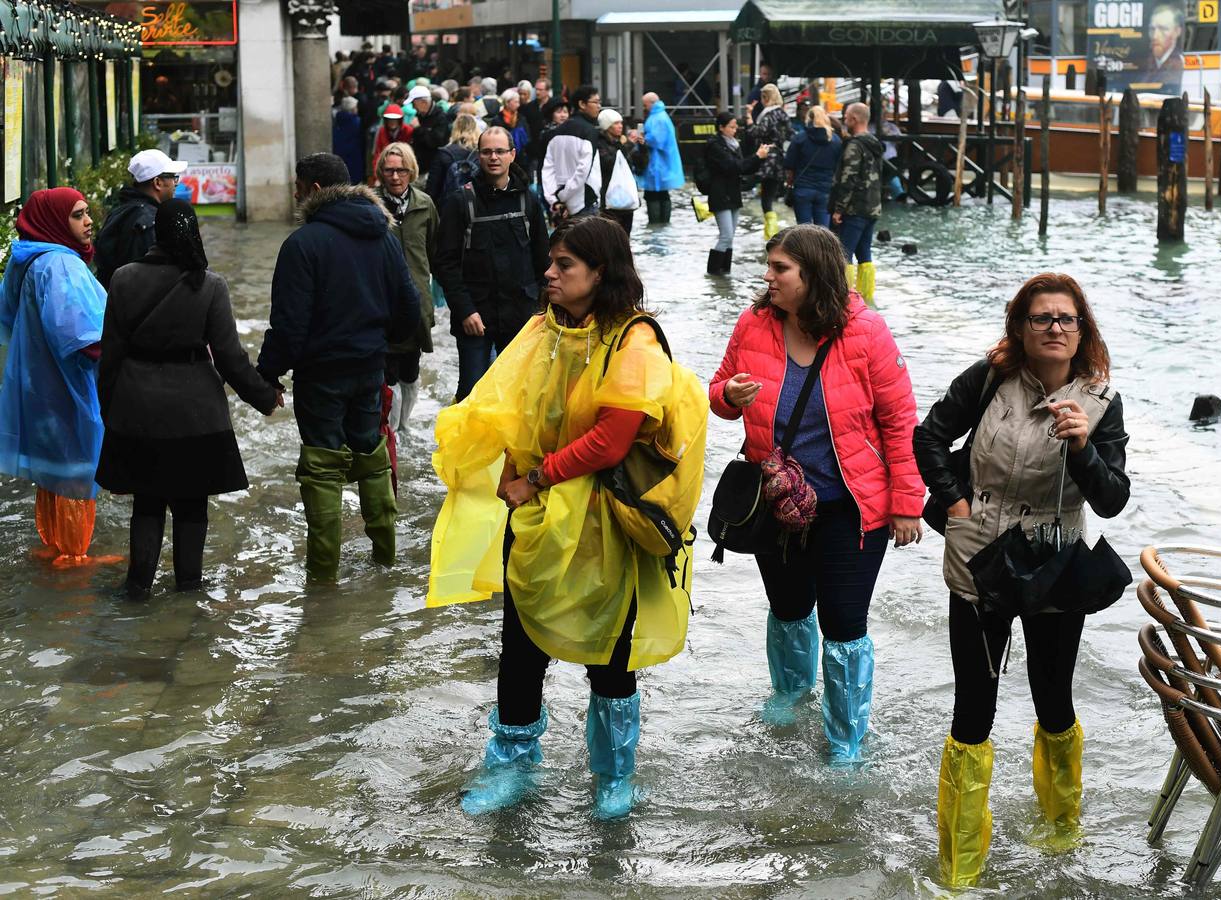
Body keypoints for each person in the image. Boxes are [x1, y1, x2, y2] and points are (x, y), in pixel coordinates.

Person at [429, 216, 698, 819]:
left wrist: (536, 476)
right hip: (540, 518)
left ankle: (613, 776)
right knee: (521, 647)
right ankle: (514, 763)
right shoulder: (542, 331)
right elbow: (505, 402)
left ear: (600, 274)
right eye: (550, 263)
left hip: (607, 521)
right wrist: (504, 464)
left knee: (611, 653)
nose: (548, 274)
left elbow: (611, 438)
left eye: (564, 266)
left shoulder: (635, 342)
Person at [912, 273, 1130, 888]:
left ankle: (1061, 832)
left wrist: (1084, 447)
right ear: (1021, 326)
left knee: (1053, 699)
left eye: (1066, 319)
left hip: (1055, 565)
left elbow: (1113, 501)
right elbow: (928, 435)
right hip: (978, 559)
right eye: (1042, 318)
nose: (1055, 328)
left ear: (1082, 329)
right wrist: (954, 505)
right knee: (972, 712)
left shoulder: (1101, 400)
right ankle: (958, 867)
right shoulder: (987, 379)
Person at [708, 224, 924, 762]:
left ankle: (846, 739)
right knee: (787, 607)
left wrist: (906, 503)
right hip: (776, 503)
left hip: (851, 506)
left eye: (780, 268)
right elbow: (717, 393)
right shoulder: (754, 323)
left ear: (814, 274)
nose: (768, 276)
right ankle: (789, 697)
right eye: (769, 265)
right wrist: (728, 395)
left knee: (845, 622)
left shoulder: (866, 332)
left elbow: (900, 423)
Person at [96, 200, 280, 597]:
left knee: (146, 502)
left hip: (137, 408)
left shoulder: (123, 278)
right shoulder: (209, 284)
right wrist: (265, 396)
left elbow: (109, 356)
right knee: (191, 504)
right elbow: (231, 359)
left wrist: (109, 410)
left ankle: (137, 587)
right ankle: (189, 592)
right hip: (196, 413)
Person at [256, 153, 420, 582]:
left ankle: (322, 578)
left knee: (322, 468)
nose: (292, 192)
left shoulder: (302, 244)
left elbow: (288, 326)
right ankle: (386, 559)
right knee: (372, 456)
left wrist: (268, 374)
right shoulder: (383, 234)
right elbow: (409, 305)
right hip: (370, 368)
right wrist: (383, 348)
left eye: (297, 184)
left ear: (313, 190)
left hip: (320, 375)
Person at [0, 188, 106, 560]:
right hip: (67, 386)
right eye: (78, 215)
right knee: (77, 472)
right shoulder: (62, 266)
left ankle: (55, 547)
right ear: (55, 222)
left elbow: (9, 316)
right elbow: (82, 338)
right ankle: (75, 559)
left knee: (53, 474)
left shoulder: (29, 259)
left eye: (87, 212)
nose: (89, 221)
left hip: (37, 385)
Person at [436, 126, 548, 402]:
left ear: (512, 154)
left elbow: (543, 259)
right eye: (486, 152)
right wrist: (465, 311)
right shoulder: (460, 201)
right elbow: (445, 264)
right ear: (478, 156)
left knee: (520, 395)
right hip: (475, 317)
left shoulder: (528, 200)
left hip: (521, 315)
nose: (493, 157)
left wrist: (543, 310)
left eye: (499, 151)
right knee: (471, 395)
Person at [375, 142, 440, 436]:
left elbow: (433, 251)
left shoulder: (425, 204)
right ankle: (388, 430)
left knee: (410, 368)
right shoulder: (369, 204)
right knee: (386, 369)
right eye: (389, 170)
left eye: (401, 170)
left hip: (416, 301)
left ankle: (404, 426)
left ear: (411, 171)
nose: (395, 176)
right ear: (381, 172)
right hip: (379, 302)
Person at [94, 149, 188, 288]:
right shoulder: (151, 222)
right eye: (173, 177)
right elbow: (152, 279)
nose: (176, 183)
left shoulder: (121, 211)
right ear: (157, 182)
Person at [829, 102, 884, 305]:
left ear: (854, 119)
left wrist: (838, 209)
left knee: (844, 255)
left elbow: (848, 179)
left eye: (846, 117)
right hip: (873, 207)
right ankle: (866, 298)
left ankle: (844, 300)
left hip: (854, 209)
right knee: (865, 255)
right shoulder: (874, 143)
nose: (844, 120)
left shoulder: (854, 145)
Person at [701, 111, 769, 275]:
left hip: (733, 193)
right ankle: (713, 272)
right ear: (721, 128)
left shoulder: (734, 143)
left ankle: (725, 272)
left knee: (730, 237)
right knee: (726, 235)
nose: (735, 129)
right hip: (720, 194)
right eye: (731, 127)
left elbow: (744, 167)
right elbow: (733, 166)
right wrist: (756, 157)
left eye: (735, 126)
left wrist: (759, 158)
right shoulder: (715, 145)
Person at [540, 84, 603, 222]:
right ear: (582, 104)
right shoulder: (589, 131)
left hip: (559, 204)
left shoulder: (555, 132)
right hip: (584, 201)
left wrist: (554, 199)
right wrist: (563, 195)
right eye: (596, 102)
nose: (599, 106)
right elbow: (583, 170)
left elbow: (547, 170)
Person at [744, 83, 794, 239]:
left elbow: (756, 132)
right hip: (779, 160)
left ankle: (708, 208)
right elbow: (790, 135)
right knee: (768, 195)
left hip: (766, 158)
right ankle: (771, 232)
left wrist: (749, 117)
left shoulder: (768, 115)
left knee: (744, 184)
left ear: (765, 98)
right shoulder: (784, 115)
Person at [785, 106, 843, 228]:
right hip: (825, 189)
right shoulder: (836, 141)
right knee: (823, 232)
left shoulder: (800, 138)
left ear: (809, 119)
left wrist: (790, 181)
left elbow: (789, 164)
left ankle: (806, 247)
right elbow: (839, 167)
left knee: (804, 230)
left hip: (803, 188)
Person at [596, 108, 649, 235]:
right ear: (607, 126)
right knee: (610, 237)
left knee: (625, 238)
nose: (620, 126)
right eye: (616, 123)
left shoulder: (622, 142)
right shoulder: (600, 143)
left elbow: (641, 164)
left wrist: (642, 147)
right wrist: (628, 145)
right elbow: (609, 163)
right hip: (608, 200)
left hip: (626, 200)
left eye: (621, 123)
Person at [637, 92, 684, 225]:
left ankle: (656, 224)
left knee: (654, 195)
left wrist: (642, 138)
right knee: (662, 194)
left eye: (645, 105)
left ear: (651, 103)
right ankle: (662, 224)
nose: (644, 107)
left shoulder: (658, 118)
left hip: (658, 164)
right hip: (661, 164)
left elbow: (658, 139)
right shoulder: (660, 116)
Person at [425, 112, 480, 204]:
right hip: (476, 204)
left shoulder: (444, 153)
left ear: (454, 129)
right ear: (476, 129)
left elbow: (432, 188)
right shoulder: (482, 153)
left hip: (450, 205)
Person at [407, 84, 450, 178]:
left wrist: (418, 128)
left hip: (432, 169)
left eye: (414, 104)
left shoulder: (440, 117)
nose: (413, 108)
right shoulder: (420, 116)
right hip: (418, 166)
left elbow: (436, 142)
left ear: (423, 102)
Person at [1143, 2, 1185, 90]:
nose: (1155, 36)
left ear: (1177, 31)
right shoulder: (1146, 61)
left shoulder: (1178, 63)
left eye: (1163, 29)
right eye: (1152, 29)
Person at [370, 104, 413, 182]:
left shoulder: (408, 131)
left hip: (403, 170)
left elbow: (410, 156)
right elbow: (377, 154)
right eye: (389, 119)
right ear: (386, 120)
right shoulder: (381, 131)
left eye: (395, 119)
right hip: (386, 170)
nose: (392, 122)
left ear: (400, 120)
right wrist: (377, 176)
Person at [333, 96, 366, 183]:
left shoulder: (337, 120)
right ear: (352, 109)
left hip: (339, 152)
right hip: (354, 153)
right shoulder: (356, 121)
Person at [498, 88, 530, 152]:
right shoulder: (498, 119)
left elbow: (528, 137)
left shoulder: (521, 118)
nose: (518, 105)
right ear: (507, 103)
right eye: (516, 102)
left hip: (520, 156)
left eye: (518, 102)